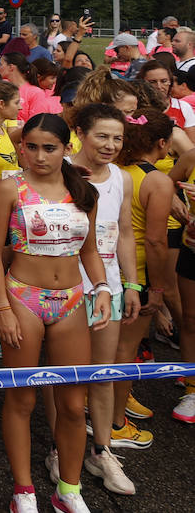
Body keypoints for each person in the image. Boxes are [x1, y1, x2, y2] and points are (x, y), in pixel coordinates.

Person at [0, 113, 110, 513]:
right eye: (31, 147)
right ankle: (24, 490)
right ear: (22, 148)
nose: (39, 156)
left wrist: (103, 288)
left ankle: (69, 490)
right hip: (23, 298)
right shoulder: (9, 188)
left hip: (73, 299)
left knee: (74, 405)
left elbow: (89, 250)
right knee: (22, 400)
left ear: (67, 148)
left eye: (49, 148)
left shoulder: (83, 191)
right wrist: (1, 307)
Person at [55, 104, 141, 496]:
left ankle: (101, 449)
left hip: (109, 288)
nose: (110, 145)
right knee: (63, 376)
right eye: (102, 136)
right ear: (81, 134)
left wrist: (132, 284)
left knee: (103, 373)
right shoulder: (58, 169)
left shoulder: (121, 177)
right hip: (67, 287)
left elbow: (124, 232)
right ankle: (61, 449)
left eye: (117, 138)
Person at [109, 110, 177, 452]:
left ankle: (100, 410)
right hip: (134, 277)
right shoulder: (157, 182)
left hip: (105, 271)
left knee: (102, 349)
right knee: (125, 350)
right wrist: (159, 289)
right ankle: (116, 423)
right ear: (162, 143)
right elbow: (155, 241)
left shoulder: (114, 170)